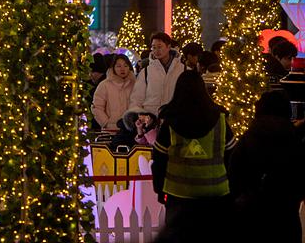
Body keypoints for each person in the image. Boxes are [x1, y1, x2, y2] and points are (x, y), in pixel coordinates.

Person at [151, 71, 235, 242]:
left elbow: (159, 160)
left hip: (178, 195)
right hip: (216, 196)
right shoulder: (220, 120)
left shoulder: (170, 121)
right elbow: (232, 157)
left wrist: (159, 189)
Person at [229, 90, 305, 242]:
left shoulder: (248, 138)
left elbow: (234, 175)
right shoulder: (294, 139)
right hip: (285, 217)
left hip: (251, 217)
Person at [126, 32, 184, 128]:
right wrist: (141, 118)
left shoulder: (183, 70)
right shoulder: (146, 72)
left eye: (159, 46)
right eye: (154, 47)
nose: (156, 50)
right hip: (151, 123)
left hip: (176, 122)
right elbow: (136, 99)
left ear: (168, 47)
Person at [93, 54, 136, 132]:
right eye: (119, 66)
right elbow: (97, 107)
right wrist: (106, 123)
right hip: (110, 130)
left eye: (125, 66)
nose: (122, 69)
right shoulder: (104, 85)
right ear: (113, 68)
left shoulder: (135, 84)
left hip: (131, 131)